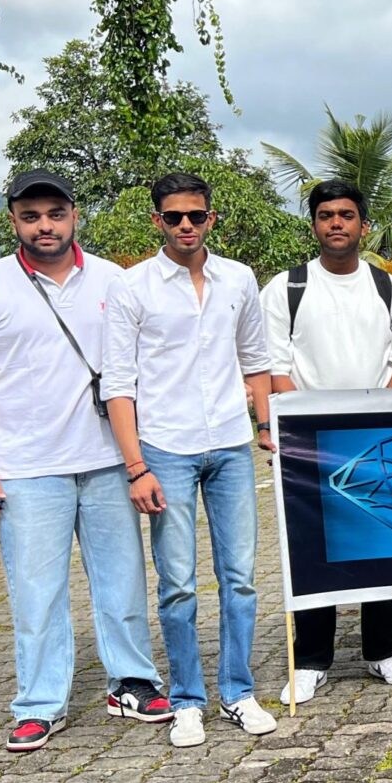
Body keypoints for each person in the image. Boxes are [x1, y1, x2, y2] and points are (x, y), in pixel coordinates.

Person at [0, 169, 171, 752]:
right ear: (14, 220)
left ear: (74, 215)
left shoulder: (116, 280)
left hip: (108, 459)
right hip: (25, 465)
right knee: (36, 592)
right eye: (31, 216)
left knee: (122, 581)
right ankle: (40, 704)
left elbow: (147, 363)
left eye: (55, 214)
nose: (45, 226)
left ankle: (132, 683)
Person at [103, 171, 277, 748]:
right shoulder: (133, 286)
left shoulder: (239, 278)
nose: (185, 225)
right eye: (174, 216)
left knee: (241, 579)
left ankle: (238, 692)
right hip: (165, 448)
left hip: (229, 444)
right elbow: (118, 384)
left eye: (195, 216)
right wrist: (136, 467)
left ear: (211, 219)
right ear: (157, 220)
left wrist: (264, 425)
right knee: (177, 584)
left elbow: (255, 359)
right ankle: (186, 700)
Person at [263, 179, 392, 705]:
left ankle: (384, 651)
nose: (337, 223)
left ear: (363, 225)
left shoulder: (391, 290)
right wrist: (304, 424)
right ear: (314, 224)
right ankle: (311, 660)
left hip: (376, 433)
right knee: (313, 548)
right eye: (326, 214)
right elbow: (275, 365)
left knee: (381, 539)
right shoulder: (285, 288)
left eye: (347, 215)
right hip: (307, 439)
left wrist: (370, 418)